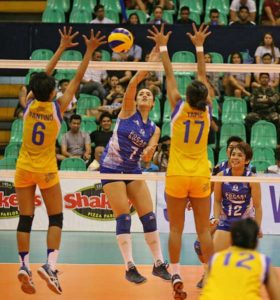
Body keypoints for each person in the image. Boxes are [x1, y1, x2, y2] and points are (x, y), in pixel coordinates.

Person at [15, 28, 106, 294]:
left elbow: (43, 76)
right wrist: (88, 50)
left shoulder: (29, 106)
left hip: (23, 169)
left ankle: (23, 264)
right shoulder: (57, 107)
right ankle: (49, 265)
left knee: (25, 219)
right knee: (56, 218)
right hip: (45, 170)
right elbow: (78, 77)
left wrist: (60, 47)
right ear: (54, 92)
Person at [148, 24, 213, 299]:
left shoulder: (177, 104)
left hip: (176, 174)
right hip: (200, 174)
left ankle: (175, 272)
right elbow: (202, 75)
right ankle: (209, 274)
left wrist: (163, 46)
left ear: (188, 97)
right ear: (205, 97)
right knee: (203, 230)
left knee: (176, 228)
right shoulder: (207, 109)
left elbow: (169, 74)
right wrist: (199, 46)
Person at [99, 47, 170, 284]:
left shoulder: (155, 128)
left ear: (153, 102)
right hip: (112, 168)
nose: (145, 96)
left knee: (149, 217)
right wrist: (150, 63)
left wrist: (150, 152)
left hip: (133, 170)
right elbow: (133, 85)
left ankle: (159, 263)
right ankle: (129, 266)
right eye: (142, 94)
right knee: (124, 218)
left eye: (149, 95)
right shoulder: (128, 111)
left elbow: (148, 157)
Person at [200, 218, 280, 300]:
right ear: (256, 242)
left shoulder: (215, 259)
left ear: (231, 240)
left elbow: (205, 287)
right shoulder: (263, 261)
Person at [213, 142, 262, 254]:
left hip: (244, 224)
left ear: (247, 161)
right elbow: (216, 201)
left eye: (240, 155)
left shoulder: (252, 179)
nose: (235, 157)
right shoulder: (221, 176)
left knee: (243, 262)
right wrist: (216, 218)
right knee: (217, 258)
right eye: (233, 154)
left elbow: (258, 207)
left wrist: (257, 228)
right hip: (225, 222)